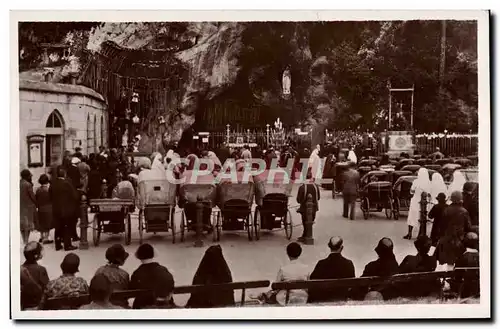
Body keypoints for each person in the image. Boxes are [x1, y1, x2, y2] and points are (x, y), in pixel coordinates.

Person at [308, 237, 355, 303]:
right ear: (341, 248)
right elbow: (352, 283)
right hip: (341, 298)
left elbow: (312, 281)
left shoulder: (321, 263)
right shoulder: (348, 263)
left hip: (323, 299)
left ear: (329, 246)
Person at [130, 244, 175, 309]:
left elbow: (132, 290)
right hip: (164, 305)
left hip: (143, 307)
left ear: (139, 257)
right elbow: (171, 285)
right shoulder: (163, 269)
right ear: (153, 255)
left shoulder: (137, 273)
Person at [435, 191, 472, 270]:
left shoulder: (446, 210)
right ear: (460, 199)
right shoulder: (464, 211)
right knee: (457, 260)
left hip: (446, 238)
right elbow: (468, 227)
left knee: (447, 262)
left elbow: (441, 226)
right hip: (459, 240)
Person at [49, 166, 78, 251]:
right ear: (64, 174)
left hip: (56, 208)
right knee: (67, 227)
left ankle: (57, 245)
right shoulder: (67, 183)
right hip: (66, 209)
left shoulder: (53, 183)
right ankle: (67, 245)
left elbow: (50, 195)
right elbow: (75, 195)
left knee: (57, 227)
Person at [404, 168, 431, 240]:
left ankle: (409, 233)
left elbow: (412, 191)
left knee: (412, 217)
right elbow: (429, 193)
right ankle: (420, 234)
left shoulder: (416, 181)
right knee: (421, 218)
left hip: (415, 201)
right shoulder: (429, 183)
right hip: (424, 202)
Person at [20, 242, 49, 310]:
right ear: (36, 256)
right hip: (37, 305)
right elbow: (47, 288)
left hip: (24, 304)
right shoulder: (41, 269)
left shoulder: (20, 269)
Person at [453, 232, 479, 298]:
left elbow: (457, 275)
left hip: (465, 289)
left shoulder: (462, 257)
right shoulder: (481, 256)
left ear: (465, 242)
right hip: (477, 287)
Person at [296, 175, 320, 242]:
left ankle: (306, 236)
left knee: (305, 222)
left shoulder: (302, 187)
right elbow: (318, 198)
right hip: (314, 208)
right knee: (310, 221)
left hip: (304, 208)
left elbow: (298, 200)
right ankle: (306, 235)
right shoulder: (316, 186)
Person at [35, 174, 53, 244]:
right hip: (48, 208)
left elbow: (36, 199)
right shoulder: (48, 189)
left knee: (42, 223)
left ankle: (42, 236)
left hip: (41, 208)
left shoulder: (38, 190)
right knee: (47, 224)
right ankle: (46, 238)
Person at [20, 169, 36, 245]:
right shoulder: (28, 185)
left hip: (20, 206)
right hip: (28, 207)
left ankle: (24, 240)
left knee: (22, 225)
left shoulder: (19, 183)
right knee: (28, 225)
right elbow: (32, 196)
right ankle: (26, 240)